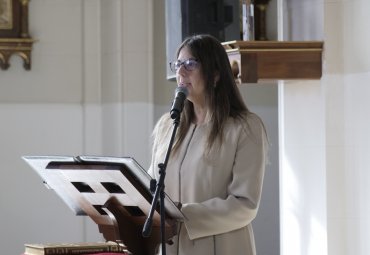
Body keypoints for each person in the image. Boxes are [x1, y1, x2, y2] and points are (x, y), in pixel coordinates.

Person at [148, 34, 268, 255]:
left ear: (215, 74)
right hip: (170, 247)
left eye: (190, 64)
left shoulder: (245, 128)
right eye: (178, 64)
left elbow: (245, 204)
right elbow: (151, 186)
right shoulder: (167, 126)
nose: (181, 72)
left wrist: (182, 214)